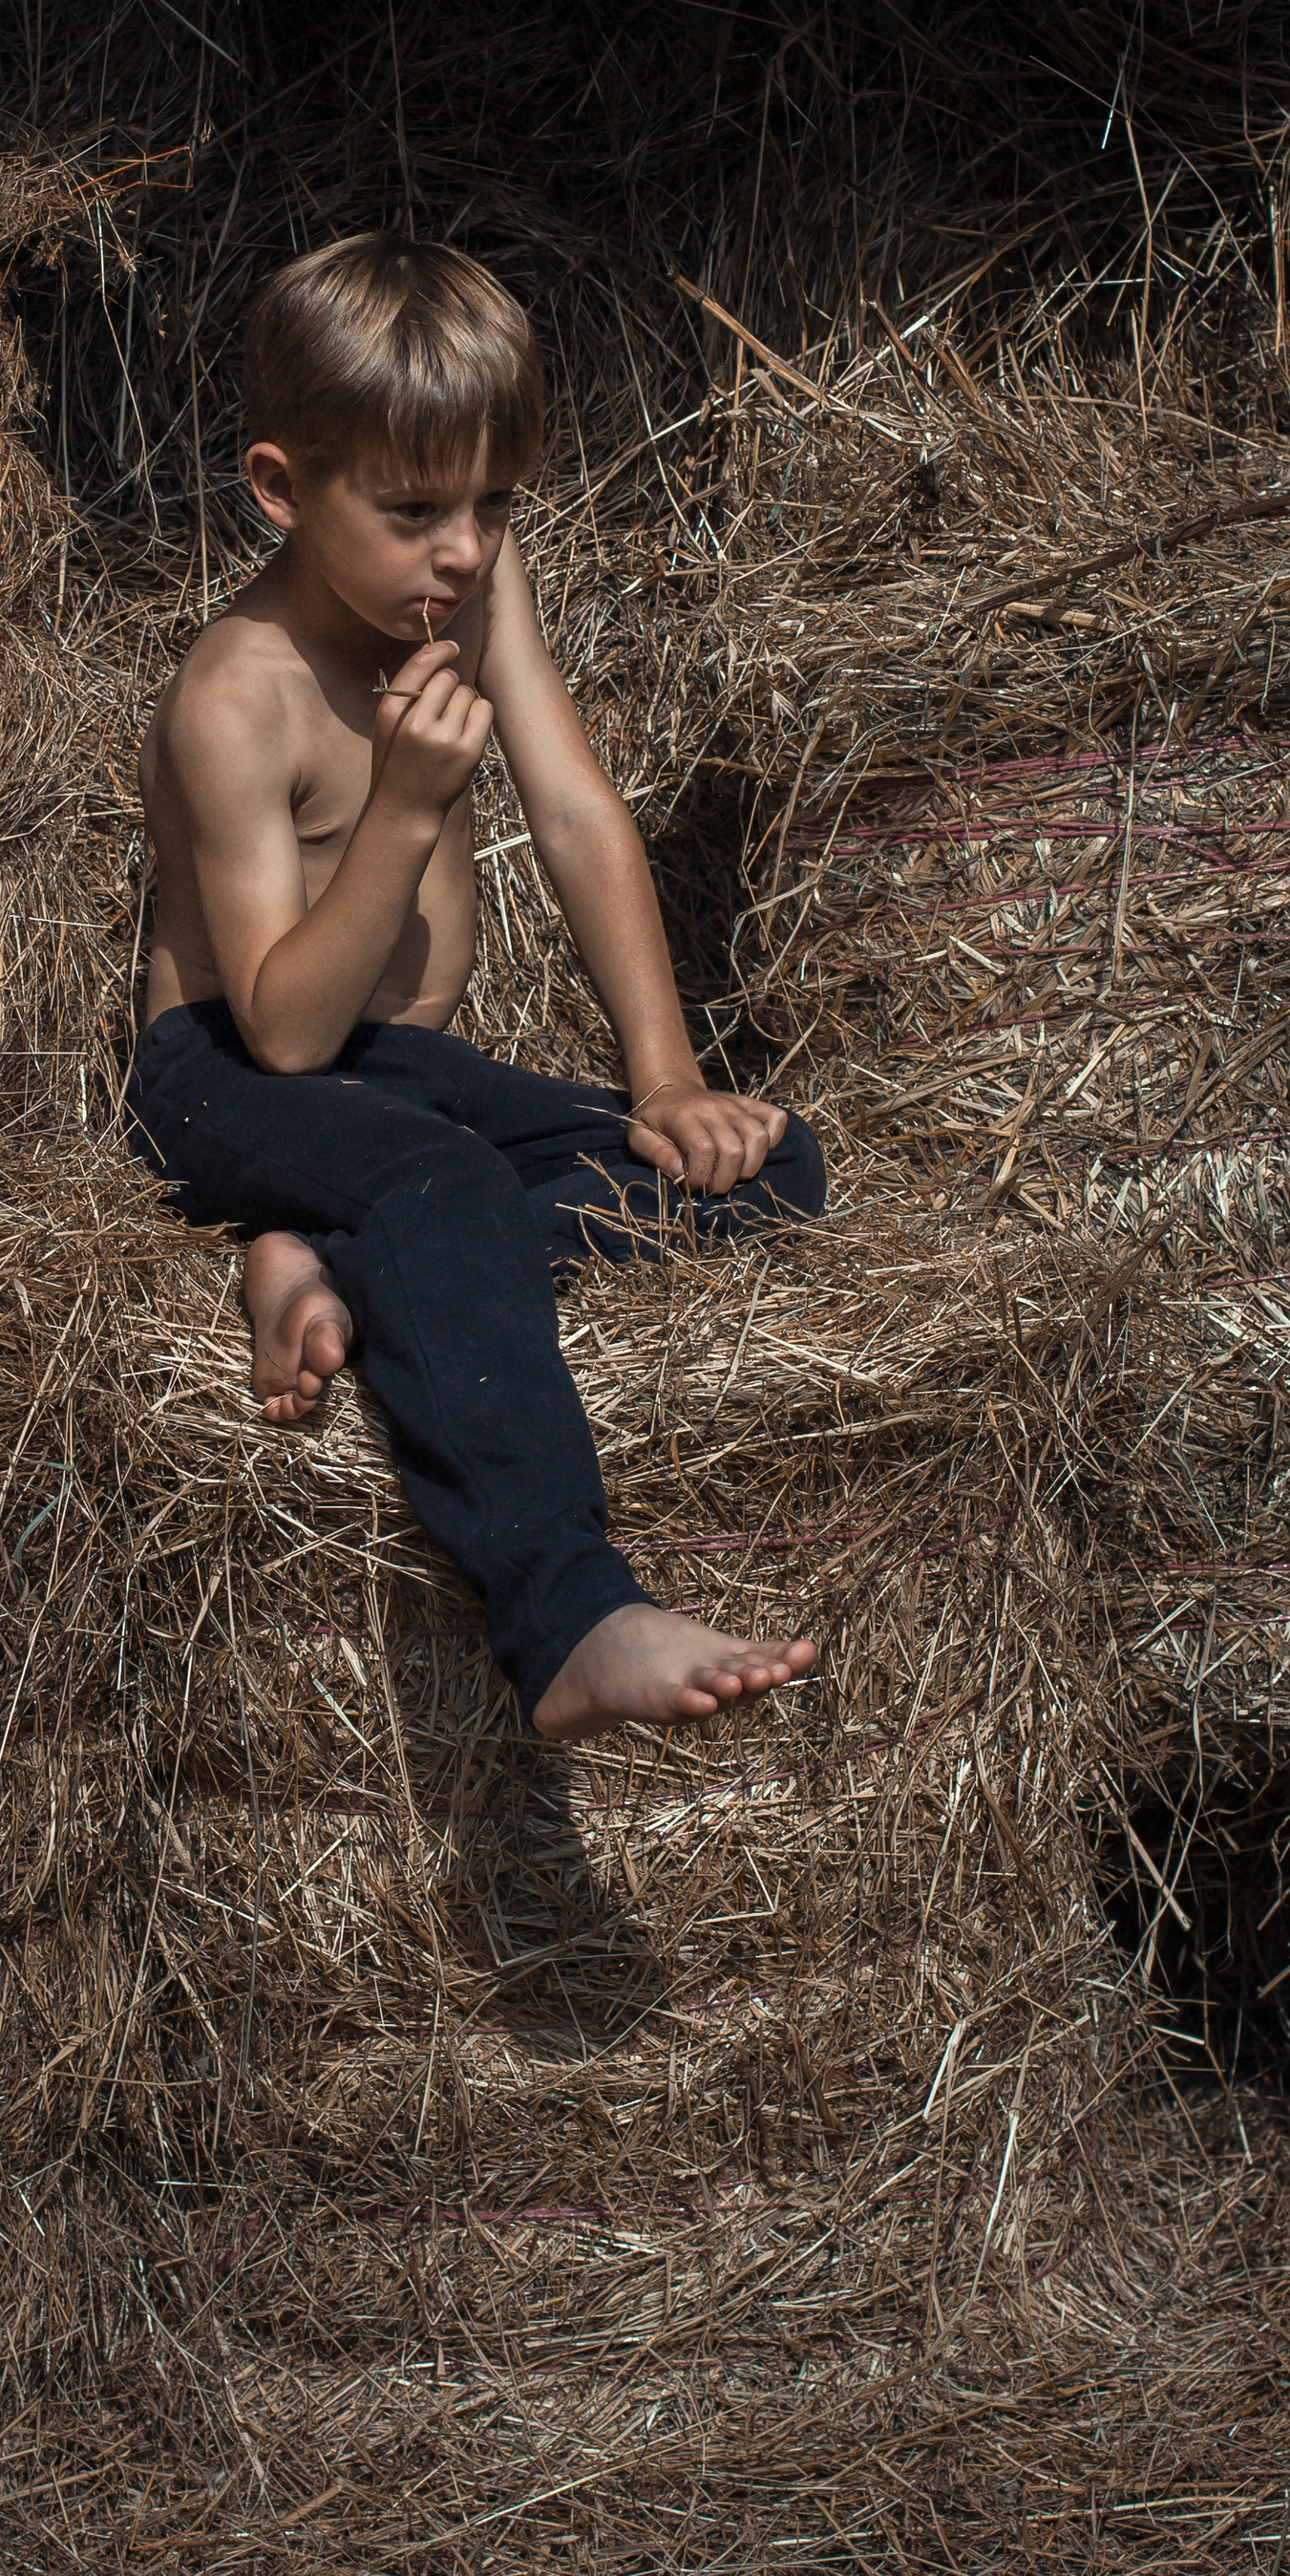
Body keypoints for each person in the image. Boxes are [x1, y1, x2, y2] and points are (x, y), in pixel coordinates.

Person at [127, 231, 824, 1744]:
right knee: (440, 1186)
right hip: (232, 1077)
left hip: (393, 1093)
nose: (463, 548)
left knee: (768, 1170)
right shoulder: (234, 694)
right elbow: (285, 1031)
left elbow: (576, 814)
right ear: (277, 488)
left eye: (495, 503)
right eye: (413, 509)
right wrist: (406, 813)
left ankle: (320, 1252)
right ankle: (571, 1609)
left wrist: (664, 1079)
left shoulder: (469, 589)